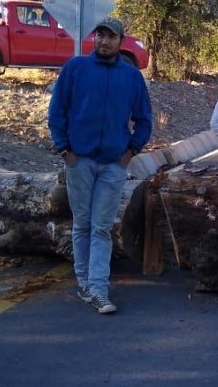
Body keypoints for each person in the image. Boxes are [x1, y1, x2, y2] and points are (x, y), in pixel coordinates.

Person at [48, 16, 152, 314]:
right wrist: (64, 150)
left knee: (102, 228)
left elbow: (144, 119)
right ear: (94, 39)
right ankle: (84, 283)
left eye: (111, 37)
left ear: (121, 41)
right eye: (100, 35)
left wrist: (131, 151)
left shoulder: (131, 76)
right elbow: (57, 112)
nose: (104, 41)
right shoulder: (75, 69)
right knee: (82, 224)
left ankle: (98, 289)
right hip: (79, 161)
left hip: (113, 165)